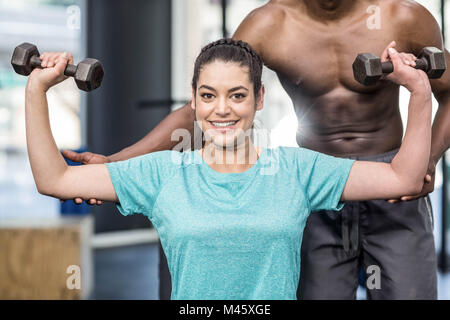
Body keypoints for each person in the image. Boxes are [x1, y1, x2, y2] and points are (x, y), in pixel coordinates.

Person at [63, 0, 450, 300]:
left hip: (393, 186)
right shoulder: (270, 23)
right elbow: (207, 103)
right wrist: (118, 162)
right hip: (314, 187)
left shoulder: (404, 17)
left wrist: (427, 160)